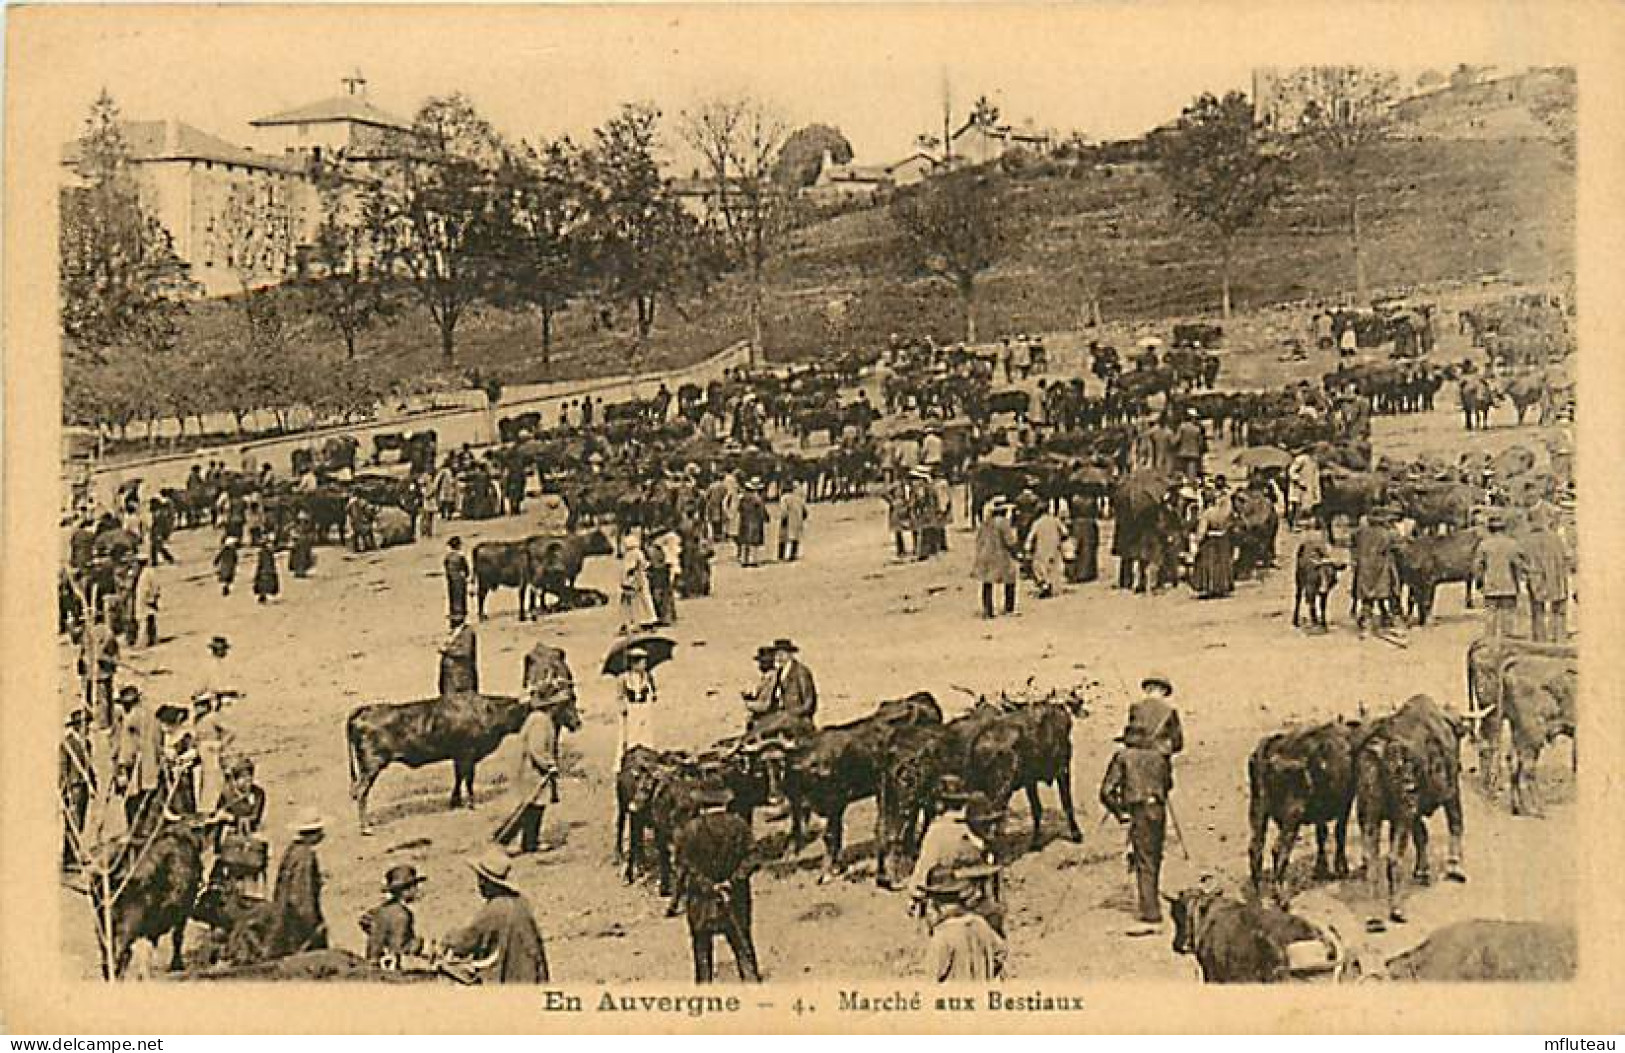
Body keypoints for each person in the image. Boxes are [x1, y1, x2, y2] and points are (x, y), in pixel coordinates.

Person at [673, 786, 762, 983]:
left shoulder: (691, 830)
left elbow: (683, 864)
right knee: (743, 950)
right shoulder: (739, 825)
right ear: (725, 802)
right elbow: (754, 857)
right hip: (736, 898)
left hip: (701, 901)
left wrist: (709, 886)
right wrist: (731, 882)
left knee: (702, 954)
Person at [1100, 722, 1173, 925]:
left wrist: (1119, 811)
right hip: (1157, 810)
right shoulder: (1160, 757)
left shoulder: (1123, 757)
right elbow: (1168, 785)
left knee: (1143, 859)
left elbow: (1106, 792)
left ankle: (1150, 911)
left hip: (1138, 811)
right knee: (1154, 855)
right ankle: (1152, 902)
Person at [446, 852, 550, 983]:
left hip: (511, 976)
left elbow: (467, 941)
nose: (480, 884)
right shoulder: (521, 902)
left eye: (482, 879)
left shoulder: (494, 909)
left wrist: (449, 939)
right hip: (533, 974)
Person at [496, 688, 565, 856]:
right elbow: (536, 748)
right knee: (529, 807)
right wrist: (549, 765)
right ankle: (507, 840)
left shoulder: (540, 719)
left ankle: (530, 842)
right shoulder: (541, 721)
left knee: (535, 807)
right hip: (531, 770)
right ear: (551, 706)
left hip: (531, 769)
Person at [921, 865, 1007, 982]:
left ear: (935, 903)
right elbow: (1001, 952)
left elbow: (931, 980)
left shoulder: (943, 935)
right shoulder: (980, 924)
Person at [268, 810, 328, 957]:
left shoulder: (292, 850)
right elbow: (301, 897)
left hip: (285, 916)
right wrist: (314, 926)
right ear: (313, 833)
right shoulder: (305, 856)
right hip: (297, 924)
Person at [114, 685, 162, 830]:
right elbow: (158, 741)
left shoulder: (131, 719)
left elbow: (127, 749)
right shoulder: (151, 716)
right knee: (148, 801)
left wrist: (121, 768)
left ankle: (135, 831)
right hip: (151, 766)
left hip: (138, 768)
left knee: (132, 803)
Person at [1521, 511, 1571, 641]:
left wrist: (1528, 573)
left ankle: (1540, 640)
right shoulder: (1556, 538)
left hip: (1537, 579)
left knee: (1538, 613)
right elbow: (1567, 558)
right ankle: (1558, 638)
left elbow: (1522, 561)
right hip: (1557, 579)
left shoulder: (1527, 540)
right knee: (1558, 612)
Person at [362, 865, 426, 967]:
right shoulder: (402, 915)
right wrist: (416, 945)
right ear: (405, 890)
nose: (417, 891)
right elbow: (398, 948)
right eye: (414, 886)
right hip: (390, 968)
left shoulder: (380, 910)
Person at [1475, 512, 1524, 639]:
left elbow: (1478, 567)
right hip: (1509, 586)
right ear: (1504, 528)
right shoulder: (1512, 544)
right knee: (1508, 618)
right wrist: (1518, 583)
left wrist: (1479, 583)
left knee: (1490, 617)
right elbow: (1518, 565)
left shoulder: (1484, 545)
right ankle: (1506, 646)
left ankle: (1490, 645)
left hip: (1491, 586)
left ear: (1490, 529)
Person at [1351, 511, 1400, 635]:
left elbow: (1353, 542)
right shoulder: (1386, 534)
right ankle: (1388, 619)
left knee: (1367, 597)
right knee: (1386, 592)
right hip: (1381, 567)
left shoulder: (1361, 533)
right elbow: (1396, 544)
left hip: (1365, 567)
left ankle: (1366, 623)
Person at [972, 498, 1021, 618]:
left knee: (987, 582)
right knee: (1010, 580)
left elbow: (978, 540)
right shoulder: (1003, 523)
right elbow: (1010, 541)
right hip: (1000, 555)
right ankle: (1009, 609)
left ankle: (988, 610)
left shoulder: (985, 523)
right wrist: (1017, 552)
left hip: (985, 555)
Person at [61, 709, 95, 870]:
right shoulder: (68, 743)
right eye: (85, 724)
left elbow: (89, 767)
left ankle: (75, 854)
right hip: (73, 787)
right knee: (72, 822)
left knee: (80, 821)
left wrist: (93, 784)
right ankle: (68, 857)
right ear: (77, 726)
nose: (87, 727)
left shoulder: (86, 743)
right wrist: (64, 789)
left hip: (83, 787)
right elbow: (62, 768)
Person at [1190, 480, 1235, 599]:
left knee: (1209, 564)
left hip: (1210, 541)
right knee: (1223, 563)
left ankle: (1211, 587)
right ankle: (1222, 586)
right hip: (1223, 538)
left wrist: (1198, 540)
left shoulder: (1207, 514)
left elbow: (1202, 531)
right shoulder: (1224, 512)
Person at [191, 694, 234, 818]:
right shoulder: (197, 719)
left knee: (212, 778)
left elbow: (231, 732)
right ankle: (201, 807)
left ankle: (210, 808)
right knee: (200, 778)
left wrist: (220, 745)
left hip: (211, 749)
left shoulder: (213, 717)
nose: (197, 708)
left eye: (199, 705)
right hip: (201, 749)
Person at [616, 645, 659, 769]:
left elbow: (654, 692)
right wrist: (623, 706)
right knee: (629, 736)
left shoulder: (648, 676)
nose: (644, 664)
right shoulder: (624, 678)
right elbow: (620, 696)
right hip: (631, 709)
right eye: (641, 661)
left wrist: (652, 694)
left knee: (645, 735)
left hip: (644, 708)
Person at [1127, 674, 1184, 759]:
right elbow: (1177, 744)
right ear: (1164, 691)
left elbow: (1129, 736)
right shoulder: (1170, 711)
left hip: (1133, 756)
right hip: (1159, 756)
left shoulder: (1135, 707)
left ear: (1147, 689)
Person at [769, 638, 817, 723]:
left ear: (790, 654)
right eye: (777, 654)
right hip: (782, 719)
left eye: (782, 654)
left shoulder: (800, 672)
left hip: (798, 721)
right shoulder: (779, 672)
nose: (778, 657)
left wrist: (792, 714)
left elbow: (809, 702)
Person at [618, 531, 657, 633]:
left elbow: (629, 569)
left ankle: (634, 622)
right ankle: (650, 619)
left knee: (633, 602)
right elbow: (644, 564)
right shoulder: (639, 552)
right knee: (646, 599)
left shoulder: (631, 554)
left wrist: (627, 581)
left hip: (634, 580)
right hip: (641, 579)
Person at [1026, 505, 1067, 599]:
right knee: (1054, 568)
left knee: (1039, 568)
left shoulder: (1037, 523)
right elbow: (1065, 532)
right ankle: (1053, 587)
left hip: (1041, 548)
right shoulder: (1055, 520)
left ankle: (1045, 585)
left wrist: (1027, 548)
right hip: (1054, 547)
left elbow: (1031, 537)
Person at [741, 645, 780, 733]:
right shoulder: (769, 677)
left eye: (762, 662)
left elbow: (766, 705)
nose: (759, 666)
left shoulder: (772, 679)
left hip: (765, 722)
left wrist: (749, 704)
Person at [439, 613, 479, 695]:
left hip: (461, 675)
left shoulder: (467, 632)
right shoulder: (454, 632)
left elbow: (465, 651)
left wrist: (448, 651)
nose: (451, 621)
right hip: (451, 676)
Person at [737, 479, 768, 567]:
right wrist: (765, 518)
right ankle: (753, 560)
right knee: (754, 542)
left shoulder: (742, 498)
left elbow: (739, 509)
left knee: (744, 542)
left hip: (744, 521)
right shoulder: (757, 499)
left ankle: (744, 560)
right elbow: (762, 510)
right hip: (755, 521)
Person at [1287, 450, 1321, 531]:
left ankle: (1316, 523)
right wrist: (1299, 480)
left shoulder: (1314, 461)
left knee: (1312, 504)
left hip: (1309, 486)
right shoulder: (1301, 459)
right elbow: (1291, 471)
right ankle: (1292, 525)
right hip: (1298, 487)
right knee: (1296, 506)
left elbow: (1315, 475)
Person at [778, 480, 808, 562]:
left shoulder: (784, 498)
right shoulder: (798, 498)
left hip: (787, 520)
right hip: (797, 520)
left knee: (783, 538)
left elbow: (783, 510)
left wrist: (782, 518)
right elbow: (805, 511)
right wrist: (802, 519)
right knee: (795, 538)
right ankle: (792, 555)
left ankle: (781, 555)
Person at [133, 557, 161, 647]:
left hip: (147, 599)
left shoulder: (149, 572)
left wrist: (152, 598)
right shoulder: (141, 573)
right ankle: (152, 639)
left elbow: (155, 586)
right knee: (148, 619)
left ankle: (143, 642)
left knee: (144, 620)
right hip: (143, 599)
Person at [1173, 411, 1206, 479]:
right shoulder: (1197, 429)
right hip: (1194, 454)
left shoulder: (1182, 427)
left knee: (1182, 474)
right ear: (1192, 418)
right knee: (1192, 473)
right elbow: (1200, 443)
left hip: (1183, 453)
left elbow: (1177, 439)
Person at [443, 537, 470, 621]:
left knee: (452, 594)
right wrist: (466, 575)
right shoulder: (460, 556)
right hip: (459, 578)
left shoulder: (448, 557)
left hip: (451, 578)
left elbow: (446, 567)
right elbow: (466, 568)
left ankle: (453, 611)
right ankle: (460, 611)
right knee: (461, 595)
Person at [253, 536, 280, 605]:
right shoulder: (266, 553)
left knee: (263, 584)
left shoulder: (264, 552)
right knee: (267, 583)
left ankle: (263, 596)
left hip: (264, 570)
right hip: (267, 570)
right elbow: (266, 563)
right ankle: (264, 596)